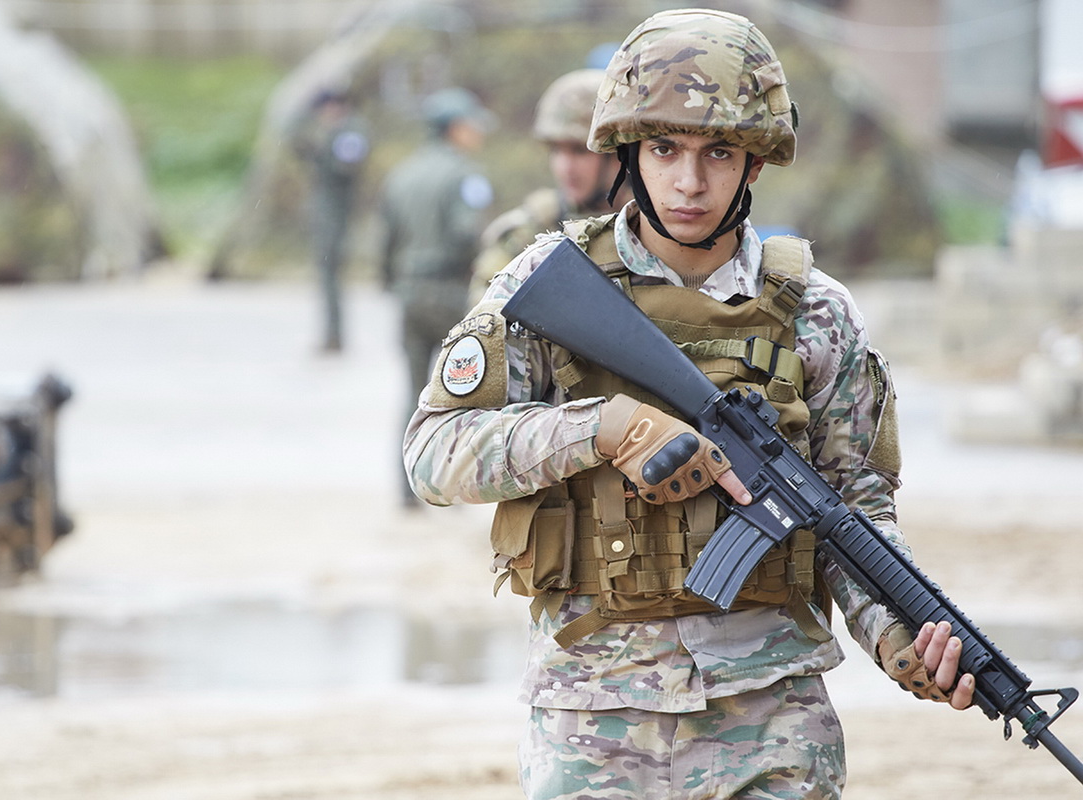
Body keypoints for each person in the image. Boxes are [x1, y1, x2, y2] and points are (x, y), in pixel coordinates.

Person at [403, 9, 974, 798]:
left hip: (772, 717)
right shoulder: (548, 285)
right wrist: (603, 429)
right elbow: (433, 454)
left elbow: (855, 516)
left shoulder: (817, 313)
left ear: (756, 162)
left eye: (720, 152)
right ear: (629, 149)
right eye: (665, 148)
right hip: (593, 718)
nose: (689, 182)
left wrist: (903, 641)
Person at [380, 86, 494, 506]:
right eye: (471, 125)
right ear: (454, 129)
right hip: (450, 292)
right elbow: (468, 234)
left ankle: (406, 490)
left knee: (413, 394)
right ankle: (449, 488)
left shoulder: (401, 173)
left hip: (409, 291)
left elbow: (387, 241)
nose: (478, 132)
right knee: (460, 395)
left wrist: (392, 282)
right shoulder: (464, 175)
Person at [470, 68, 631, 302]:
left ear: (618, 154)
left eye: (579, 151)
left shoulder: (652, 228)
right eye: (556, 150)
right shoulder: (527, 232)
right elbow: (482, 319)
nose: (565, 167)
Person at [293, 89, 370, 353]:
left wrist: (324, 142)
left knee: (331, 275)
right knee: (327, 277)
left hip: (337, 216)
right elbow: (294, 139)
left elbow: (345, 167)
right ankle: (331, 334)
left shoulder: (349, 133)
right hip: (326, 215)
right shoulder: (335, 132)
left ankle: (335, 336)